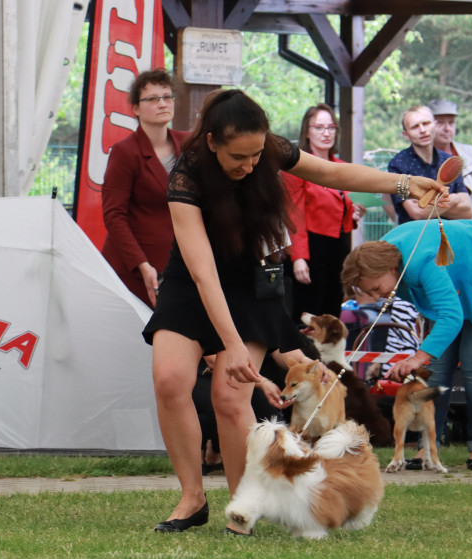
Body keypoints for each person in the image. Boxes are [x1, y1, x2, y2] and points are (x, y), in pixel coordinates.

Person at [141, 89, 449, 534]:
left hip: (251, 281)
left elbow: (331, 172)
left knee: (229, 395)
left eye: (255, 154)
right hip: (194, 278)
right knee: (169, 380)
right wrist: (231, 346)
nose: (249, 165)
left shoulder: (270, 149)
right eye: (238, 157)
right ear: (211, 142)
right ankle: (192, 497)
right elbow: (204, 274)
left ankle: (242, 505)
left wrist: (403, 183)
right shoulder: (185, 178)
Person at [342, 219, 472, 470]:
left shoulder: (419, 262)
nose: (377, 297)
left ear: (392, 269)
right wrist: (424, 346)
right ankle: (428, 446)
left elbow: (451, 316)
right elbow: (430, 302)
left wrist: (416, 357)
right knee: (439, 366)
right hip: (455, 274)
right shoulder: (381, 260)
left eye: (376, 288)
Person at [101, 69, 187, 308]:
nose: (162, 104)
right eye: (152, 99)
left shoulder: (188, 144)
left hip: (180, 264)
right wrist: (141, 263)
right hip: (136, 268)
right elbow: (113, 215)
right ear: (136, 108)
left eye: (167, 97)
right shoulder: (125, 152)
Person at [283, 104, 365, 319]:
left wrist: (354, 214)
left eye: (331, 127)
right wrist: (298, 258)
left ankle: (330, 353)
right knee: (309, 313)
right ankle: (304, 353)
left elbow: (341, 209)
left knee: (333, 312)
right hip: (312, 247)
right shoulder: (298, 167)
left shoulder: (341, 166)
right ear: (307, 132)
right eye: (319, 127)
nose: (326, 133)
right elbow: (294, 215)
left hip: (339, 246)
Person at [387, 105, 472, 224]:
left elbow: (467, 211)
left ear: (435, 126)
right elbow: (416, 213)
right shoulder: (397, 165)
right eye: (415, 126)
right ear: (406, 135)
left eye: (426, 123)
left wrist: (428, 204)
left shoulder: (450, 161)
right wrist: (454, 199)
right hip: (416, 237)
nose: (422, 130)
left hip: (450, 235)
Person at [429, 98, 472, 219]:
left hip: (471, 227)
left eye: (451, 123)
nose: (447, 128)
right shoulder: (414, 159)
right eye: (440, 122)